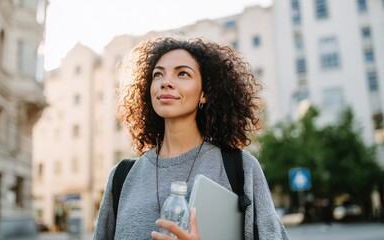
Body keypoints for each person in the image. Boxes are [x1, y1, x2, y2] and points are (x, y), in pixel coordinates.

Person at [93, 36, 289, 239]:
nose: (166, 82)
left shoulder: (240, 168)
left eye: (183, 73)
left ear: (204, 93)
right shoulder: (122, 177)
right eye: (158, 75)